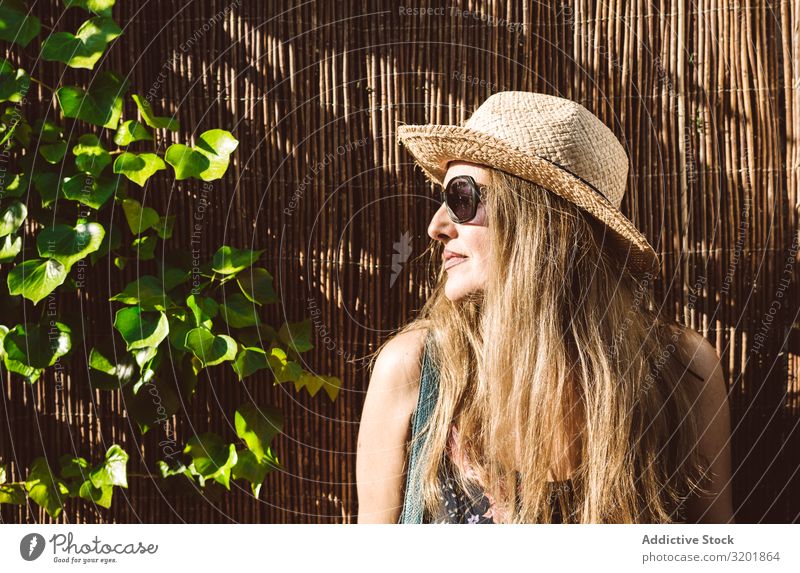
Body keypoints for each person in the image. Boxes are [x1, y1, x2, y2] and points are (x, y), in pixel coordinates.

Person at [356, 91, 734, 524]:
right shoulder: (416, 369)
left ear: (542, 219)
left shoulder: (680, 369)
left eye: (461, 199)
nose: (436, 227)